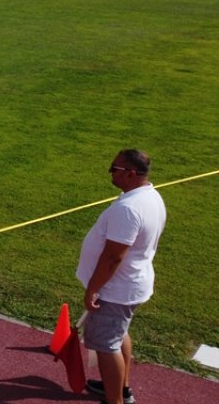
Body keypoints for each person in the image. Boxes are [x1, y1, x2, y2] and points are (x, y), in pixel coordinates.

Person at [76, 149, 166, 404]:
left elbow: (114, 256)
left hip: (116, 289)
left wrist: (93, 288)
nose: (109, 172)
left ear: (130, 173)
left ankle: (115, 399)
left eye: (114, 168)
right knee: (118, 333)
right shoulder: (150, 196)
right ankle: (121, 388)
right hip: (128, 285)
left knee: (106, 345)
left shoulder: (128, 208)